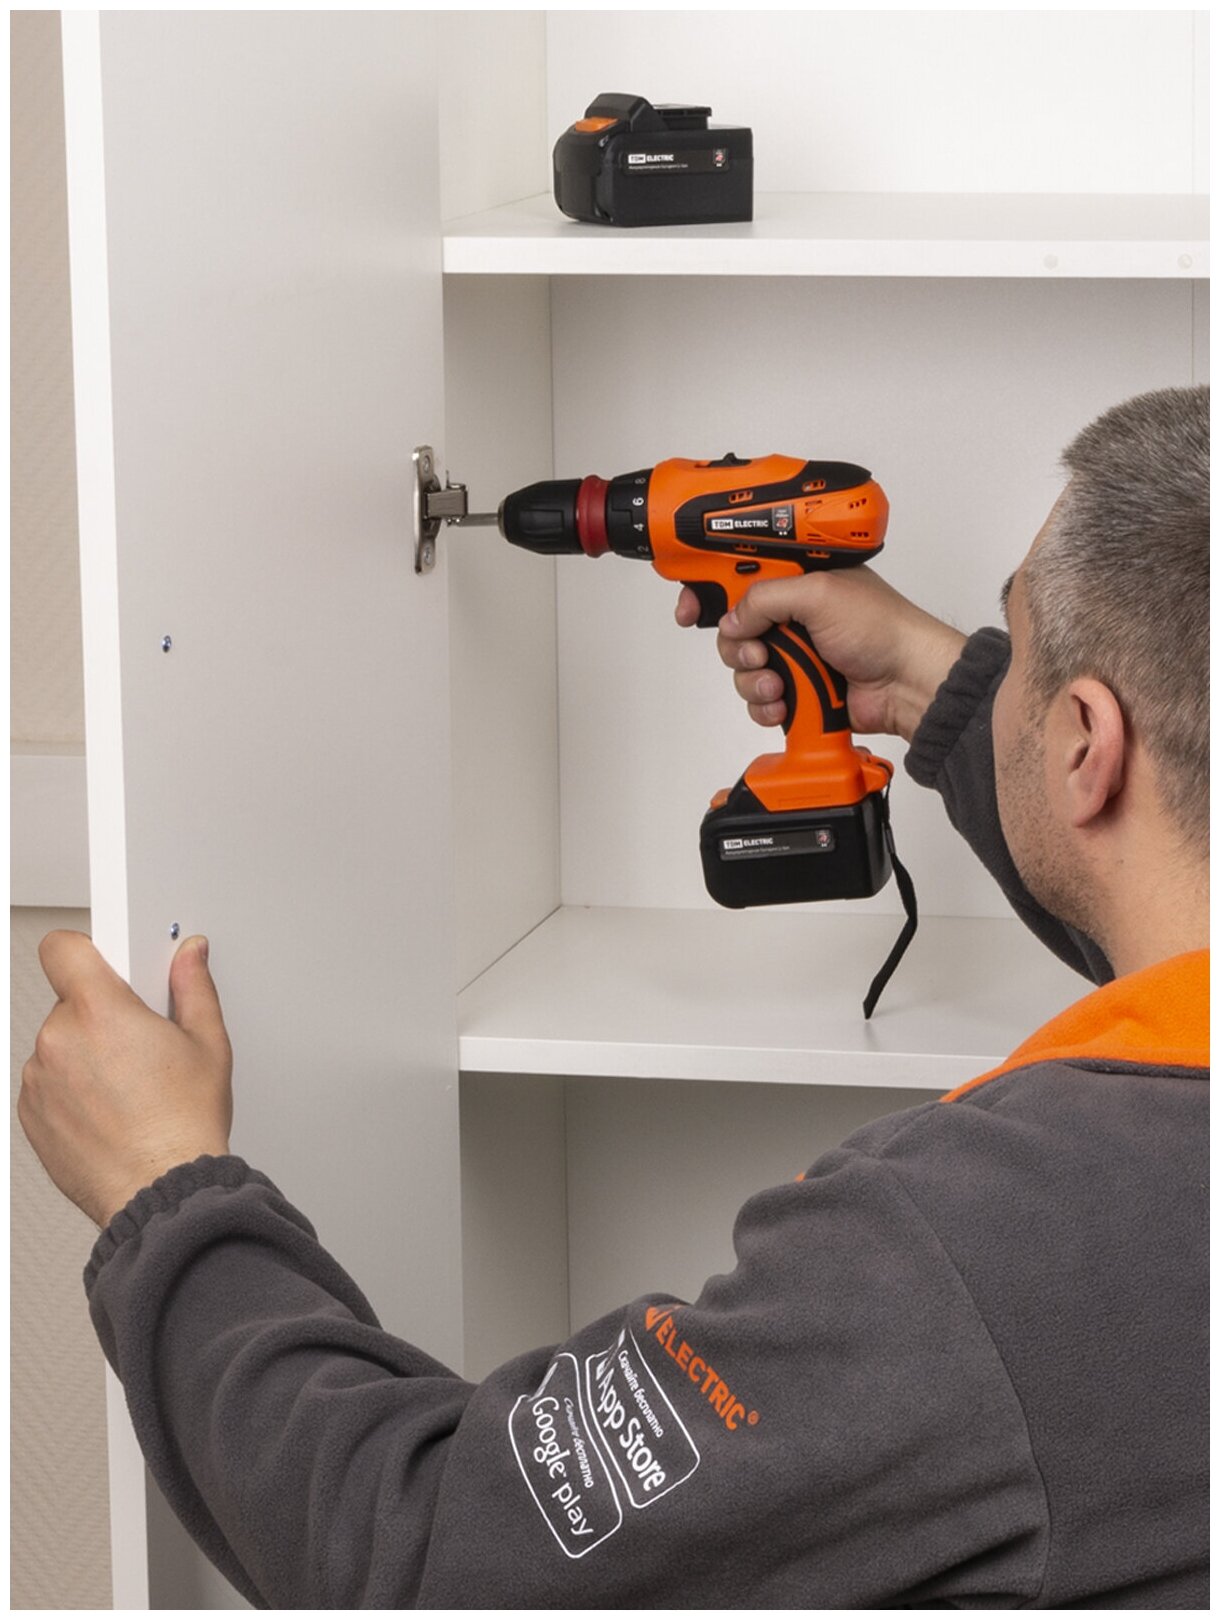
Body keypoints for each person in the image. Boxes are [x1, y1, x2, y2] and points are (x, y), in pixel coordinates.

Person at [20, 385, 1208, 1609]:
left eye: (1012, 651)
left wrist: (162, 1189)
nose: (993, 675)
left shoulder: (974, 1261)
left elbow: (420, 1557)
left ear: (1083, 744)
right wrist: (931, 681)